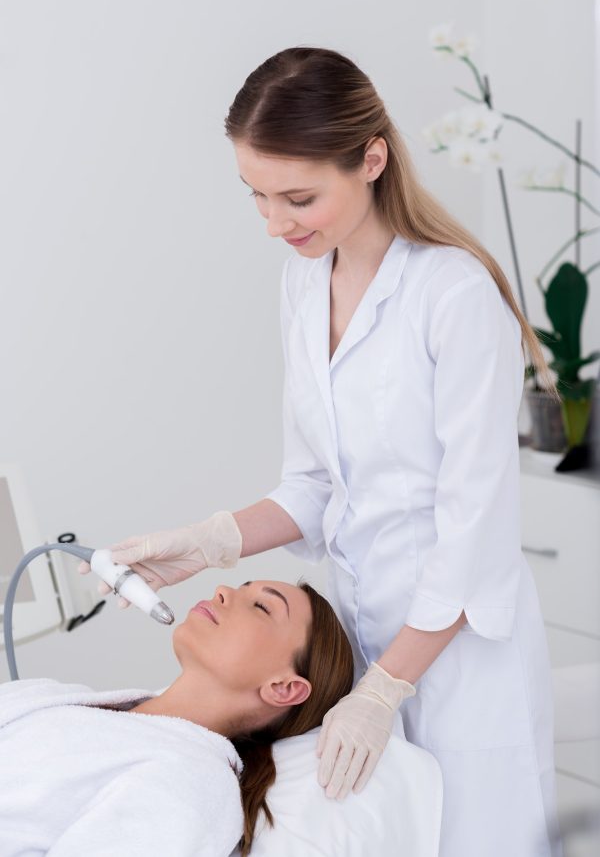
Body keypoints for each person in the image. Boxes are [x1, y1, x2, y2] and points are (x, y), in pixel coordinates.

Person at [81, 46, 564, 856]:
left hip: (458, 663)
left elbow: (474, 531)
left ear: (371, 159)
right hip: (362, 644)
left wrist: (388, 687)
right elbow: (313, 484)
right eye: (257, 198)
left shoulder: (453, 295)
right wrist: (205, 542)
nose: (276, 223)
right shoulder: (303, 285)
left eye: (298, 197)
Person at [0, 578, 355, 856]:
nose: (222, 590)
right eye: (241, 585)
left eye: (262, 606)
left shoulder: (193, 785)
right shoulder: (50, 696)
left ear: (282, 688)